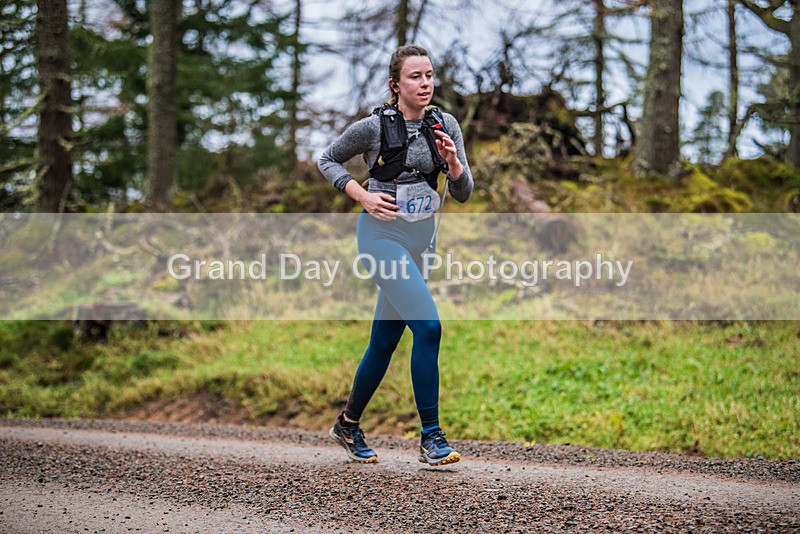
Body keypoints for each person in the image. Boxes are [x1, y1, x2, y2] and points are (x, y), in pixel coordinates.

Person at [317, 44, 473, 466]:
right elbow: (327, 159)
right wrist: (362, 195)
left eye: (429, 75)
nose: (425, 83)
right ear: (395, 84)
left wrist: (454, 164)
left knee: (384, 342)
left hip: (419, 243)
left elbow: (463, 192)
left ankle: (348, 424)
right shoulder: (372, 127)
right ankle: (432, 437)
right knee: (429, 327)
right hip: (381, 237)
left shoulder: (446, 124)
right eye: (415, 76)